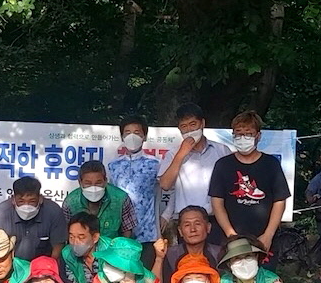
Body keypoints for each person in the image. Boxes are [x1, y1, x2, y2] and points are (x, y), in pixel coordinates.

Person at [209, 111, 291, 270]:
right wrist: (231, 235)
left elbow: (279, 201)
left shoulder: (271, 164)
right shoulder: (223, 164)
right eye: (239, 134)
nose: (243, 138)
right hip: (230, 238)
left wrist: (268, 235)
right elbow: (217, 202)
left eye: (248, 134)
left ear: (258, 136)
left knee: (264, 282)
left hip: (263, 238)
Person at [158, 103, 231, 243]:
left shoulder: (221, 150)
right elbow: (165, 184)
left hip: (215, 219)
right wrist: (181, 153)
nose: (189, 130)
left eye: (193, 124)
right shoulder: (174, 153)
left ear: (202, 123)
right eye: (184, 126)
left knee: (215, 261)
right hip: (186, 221)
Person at [108, 115, 162, 264]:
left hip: (148, 233)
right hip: (121, 234)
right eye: (127, 132)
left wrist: (166, 216)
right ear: (122, 137)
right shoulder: (113, 166)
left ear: (144, 136)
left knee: (146, 279)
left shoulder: (155, 164)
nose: (132, 136)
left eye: (137, 132)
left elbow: (169, 190)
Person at [0, 176, 67, 261]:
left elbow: (58, 246)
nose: (26, 206)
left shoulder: (53, 211)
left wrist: (48, 267)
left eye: (32, 201)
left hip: (43, 267)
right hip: (11, 265)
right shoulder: (1, 212)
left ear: (40, 199)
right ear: (13, 199)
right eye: (21, 201)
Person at [151, 205, 222, 283]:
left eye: (197, 224)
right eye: (187, 225)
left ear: (208, 227)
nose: (193, 229)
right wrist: (159, 259)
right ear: (180, 231)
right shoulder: (170, 254)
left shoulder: (219, 254)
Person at [62, 160, 137, 239]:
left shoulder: (121, 199)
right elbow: (66, 234)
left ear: (105, 181)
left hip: (112, 249)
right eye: (88, 183)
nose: (93, 187)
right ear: (80, 183)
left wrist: (122, 249)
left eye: (98, 183)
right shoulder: (70, 203)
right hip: (81, 248)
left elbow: (127, 230)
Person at [59, 212, 112, 283]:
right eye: (71, 237)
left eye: (81, 237)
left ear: (95, 237)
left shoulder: (110, 251)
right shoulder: (67, 255)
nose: (75, 242)